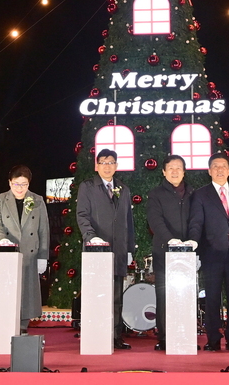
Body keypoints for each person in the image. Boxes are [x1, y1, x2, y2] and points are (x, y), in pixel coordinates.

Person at [76, 149, 135, 350]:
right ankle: (96, 334)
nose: (107, 166)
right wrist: (91, 238)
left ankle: (116, 335)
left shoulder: (124, 189)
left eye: (111, 162)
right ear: (97, 165)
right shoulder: (87, 187)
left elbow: (128, 222)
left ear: (117, 166)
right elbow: (82, 215)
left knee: (117, 296)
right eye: (103, 162)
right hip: (96, 251)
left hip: (118, 250)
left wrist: (129, 249)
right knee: (97, 295)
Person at [187, 152, 229, 352]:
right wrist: (194, 244)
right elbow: (196, 223)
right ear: (209, 171)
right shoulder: (201, 194)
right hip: (211, 252)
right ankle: (213, 338)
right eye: (216, 166)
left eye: (224, 166)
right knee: (212, 297)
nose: (220, 170)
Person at [0, 165, 49, 333]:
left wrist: (43, 256)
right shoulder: (0, 199)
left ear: (29, 184)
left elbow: (44, 229)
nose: (20, 188)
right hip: (7, 253)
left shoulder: (37, 200)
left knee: (27, 292)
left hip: (30, 253)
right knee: (7, 290)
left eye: (24, 184)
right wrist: (1, 240)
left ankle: (23, 326)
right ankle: (6, 325)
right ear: (10, 183)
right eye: (16, 184)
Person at [145, 155, 194, 351]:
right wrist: (170, 240)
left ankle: (186, 333)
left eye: (179, 168)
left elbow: (197, 220)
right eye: (171, 168)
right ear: (164, 172)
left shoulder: (193, 193)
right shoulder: (155, 194)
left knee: (186, 293)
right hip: (164, 251)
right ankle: (164, 336)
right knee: (164, 294)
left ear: (184, 171)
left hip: (188, 254)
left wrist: (192, 241)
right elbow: (155, 220)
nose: (175, 171)